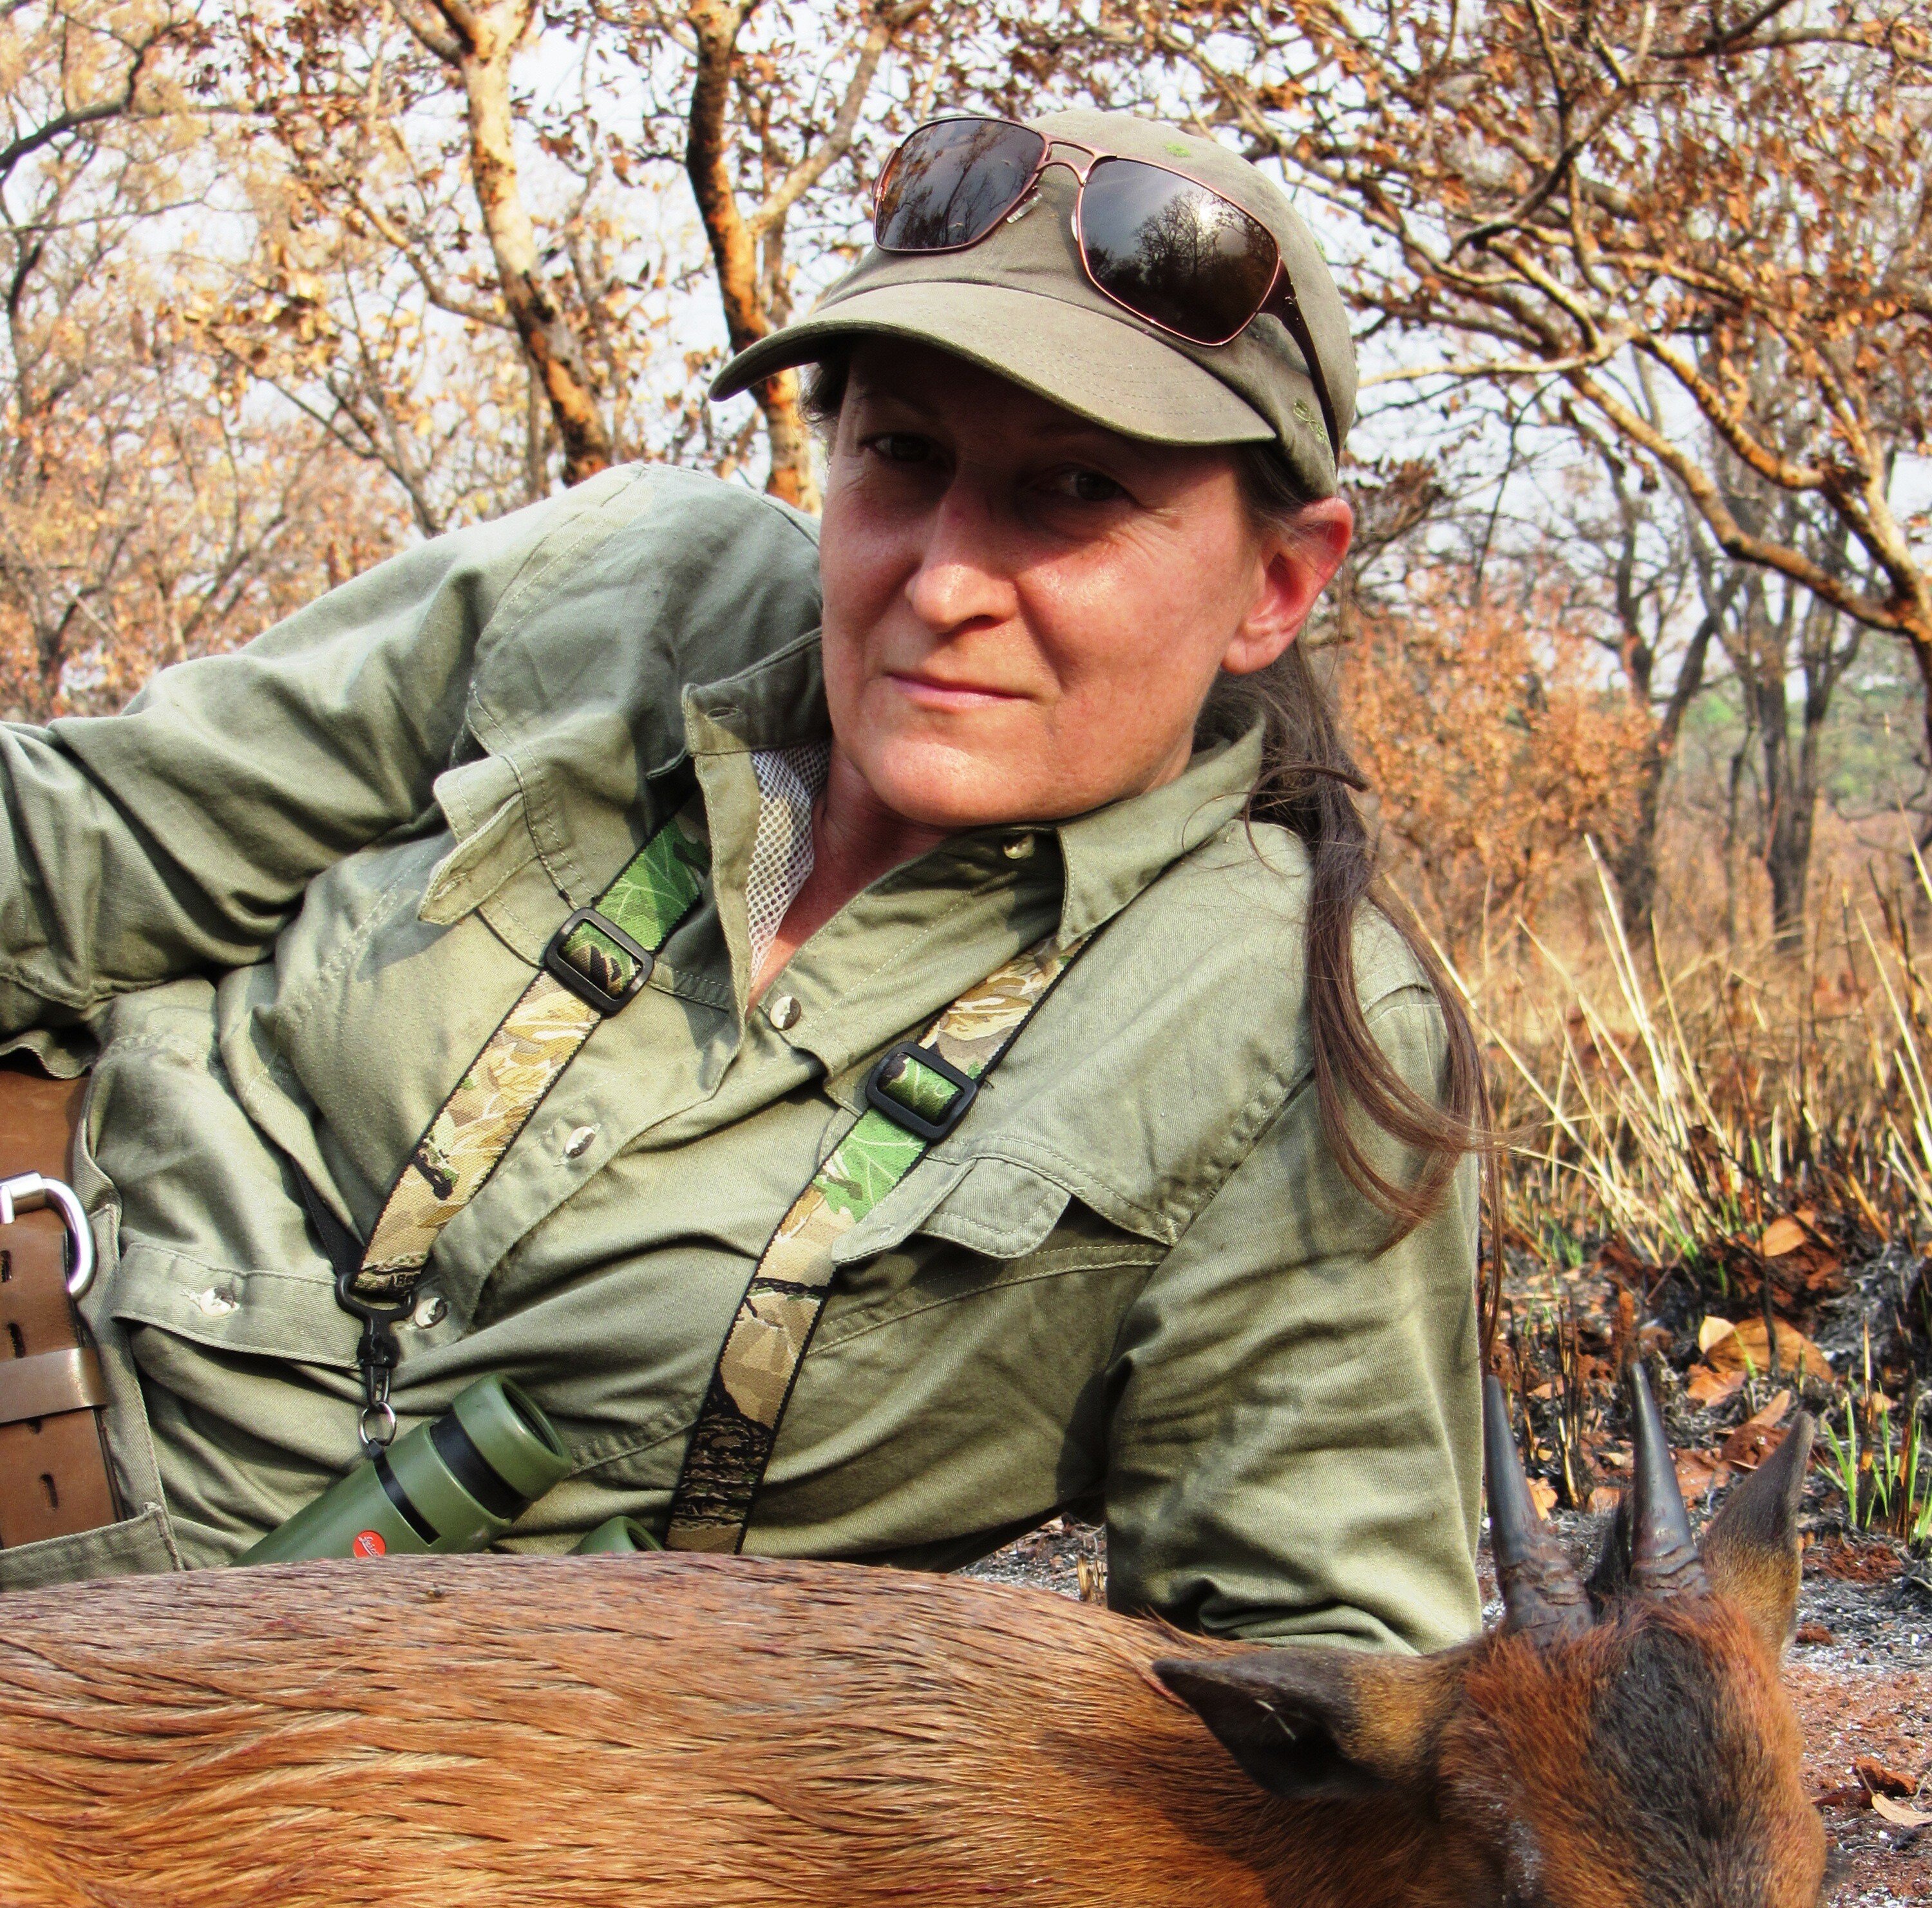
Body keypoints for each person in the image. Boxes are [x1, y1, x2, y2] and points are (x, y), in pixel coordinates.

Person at [0, 105, 1484, 1647]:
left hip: (285, 1791)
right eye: (902, 457)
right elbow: (72, 844)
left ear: (1281, 579)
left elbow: (1325, 1707)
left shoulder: (1289, 1032)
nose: (946, 581)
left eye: (1075, 493)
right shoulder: (632, 588)